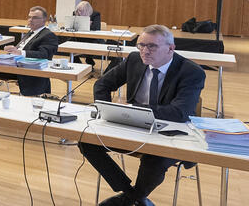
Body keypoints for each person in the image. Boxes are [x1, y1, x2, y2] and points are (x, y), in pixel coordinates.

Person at [78, 25, 205, 206]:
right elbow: (102, 85)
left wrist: (135, 109)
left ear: (170, 48)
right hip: (133, 126)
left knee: (155, 158)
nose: (145, 51)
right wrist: (104, 109)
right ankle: (132, 195)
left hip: (170, 133)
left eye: (152, 46)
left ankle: (129, 199)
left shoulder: (191, 72)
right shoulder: (134, 60)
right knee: (87, 141)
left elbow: (179, 112)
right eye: (141, 45)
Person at [1, 6, 60, 96]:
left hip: (28, 70)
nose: (30, 20)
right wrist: (13, 50)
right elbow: (22, 49)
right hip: (14, 64)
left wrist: (20, 53)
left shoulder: (48, 35)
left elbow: (44, 55)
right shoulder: (31, 32)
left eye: (35, 18)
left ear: (44, 20)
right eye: (29, 17)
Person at [73, 0, 105, 67]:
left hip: (92, 39)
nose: (79, 12)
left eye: (81, 11)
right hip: (80, 38)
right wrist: (88, 24)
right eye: (78, 10)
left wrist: (84, 24)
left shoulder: (95, 14)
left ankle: (89, 59)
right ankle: (78, 64)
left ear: (87, 10)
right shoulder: (75, 13)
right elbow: (72, 26)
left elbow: (96, 28)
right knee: (69, 42)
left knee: (92, 43)